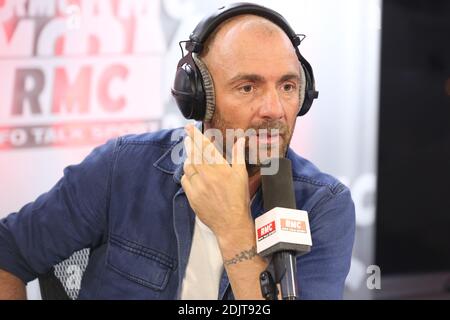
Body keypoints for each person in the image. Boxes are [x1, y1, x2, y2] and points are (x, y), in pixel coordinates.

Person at [0, 3, 355, 300]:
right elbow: (9, 251)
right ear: (199, 97)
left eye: (288, 86)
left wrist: (233, 227)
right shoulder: (122, 168)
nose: (275, 109)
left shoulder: (323, 206)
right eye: (247, 87)